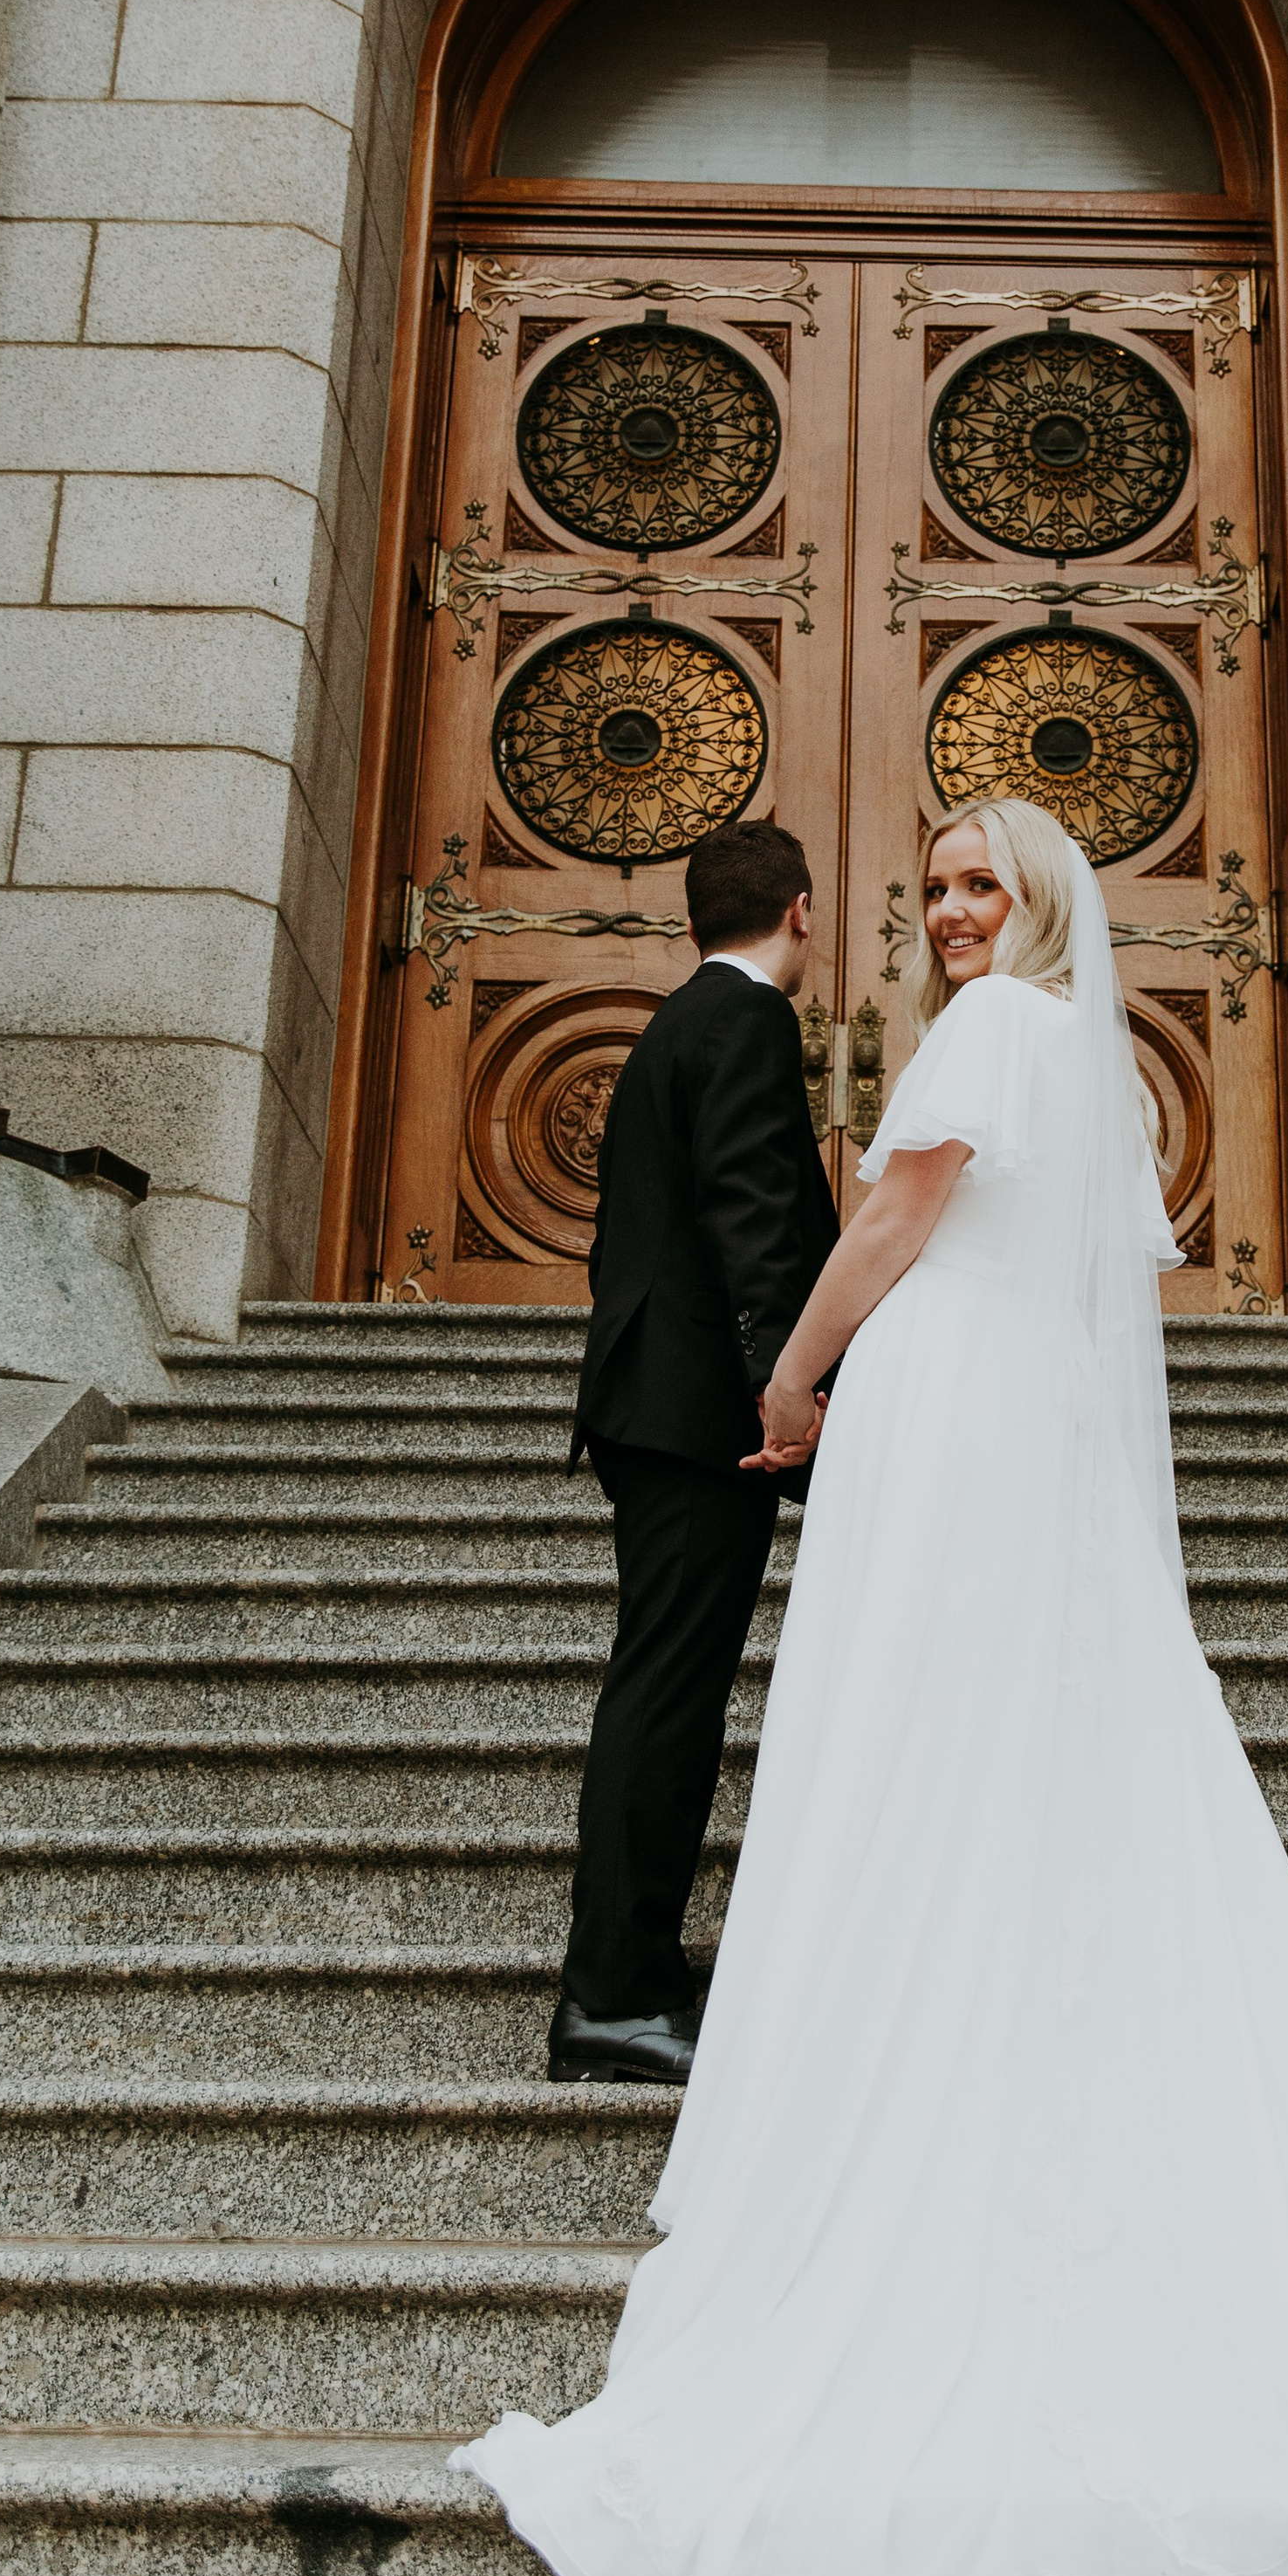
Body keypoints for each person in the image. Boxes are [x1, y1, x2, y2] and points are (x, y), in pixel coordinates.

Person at [460, 797, 1288, 2576]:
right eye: (937, 886)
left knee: (911, 1732)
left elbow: (892, 1217)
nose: (950, 911)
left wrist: (791, 1376)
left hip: (941, 1415)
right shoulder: (1092, 1051)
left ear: (1038, 902)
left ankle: (884, 2023)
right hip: (1008, 1418)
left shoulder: (983, 1033)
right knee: (989, 1736)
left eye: (981, 885)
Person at [548, 814, 838, 2088]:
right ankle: (611, 1993)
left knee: (662, 1686)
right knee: (666, 1696)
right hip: (694, 1419)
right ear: (804, 913)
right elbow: (751, 1212)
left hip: (652, 1405)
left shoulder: (675, 1020)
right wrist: (786, 1384)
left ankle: (636, 1971)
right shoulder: (749, 1023)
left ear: (687, 921)